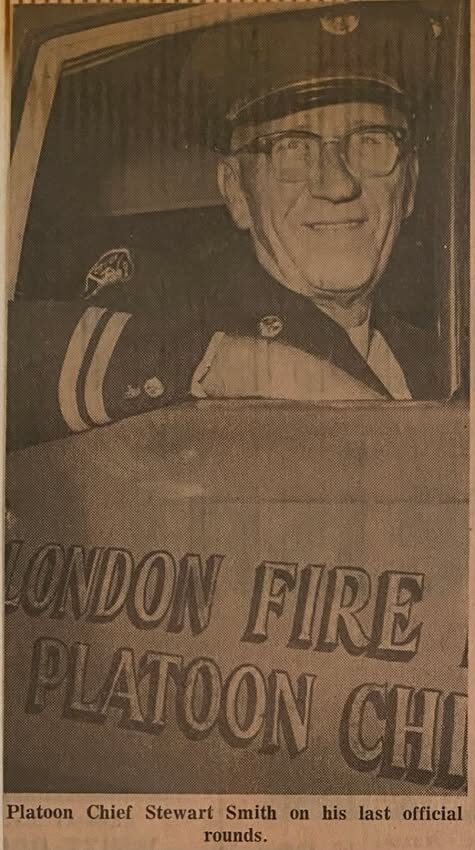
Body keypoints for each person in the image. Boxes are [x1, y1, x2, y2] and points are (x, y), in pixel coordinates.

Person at [7, 2, 443, 451]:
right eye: (292, 146)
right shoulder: (174, 308)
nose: (337, 183)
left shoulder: (442, 361)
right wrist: (237, 365)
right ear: (236, 192)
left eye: (371, 140)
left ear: (408, 184)